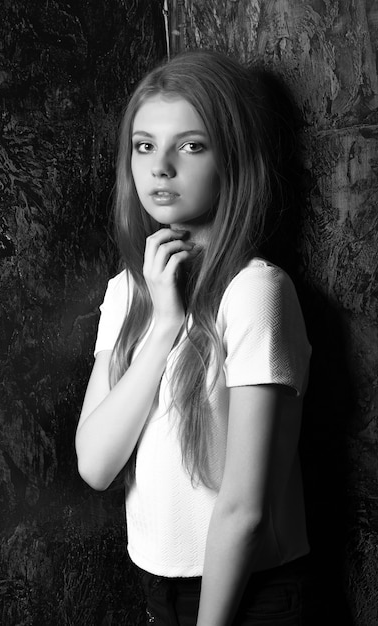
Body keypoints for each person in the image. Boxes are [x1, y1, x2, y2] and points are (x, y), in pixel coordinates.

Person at [75, 49, 312, 626]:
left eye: (190, 145)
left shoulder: (256, 291)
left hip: (249, 597)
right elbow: (97, 464)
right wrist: (162, 327)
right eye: (144, 144)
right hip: (160, 592)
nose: (160, 167)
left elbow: (244, 510)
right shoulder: (131, 291)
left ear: (230, 157)